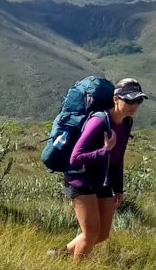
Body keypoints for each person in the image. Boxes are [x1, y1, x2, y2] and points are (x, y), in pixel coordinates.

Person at [61, 78, 146, 260]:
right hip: (81, 179)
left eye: (138, 100)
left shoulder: (126, 122)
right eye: (129, 100)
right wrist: (104, 151)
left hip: (103, 179)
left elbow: (118, 157)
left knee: (102, 235)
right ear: (116, 99)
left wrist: (119, 188)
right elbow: (75, 158)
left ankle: (58, 255)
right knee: (90, 233)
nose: (134, 105)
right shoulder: (98, 121)